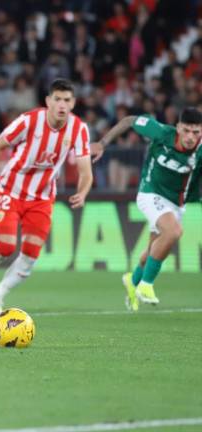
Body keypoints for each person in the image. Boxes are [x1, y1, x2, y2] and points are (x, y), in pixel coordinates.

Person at [0, 78, 93, 316]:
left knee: (30, 255)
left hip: (42, 197)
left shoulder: (78, 129)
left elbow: (85, 170)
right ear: (48, 101)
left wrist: (82, 191)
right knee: (5, 246)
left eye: (67, 100)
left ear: (73, 104)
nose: (62, 105)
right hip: (12, 188)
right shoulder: (29, 121)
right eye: (58, 99)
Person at [91, 108, 202, 311]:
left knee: (152, 251)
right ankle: (146, 285)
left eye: (196, 132)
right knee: (174, 231)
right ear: (178, 127)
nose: (190, 137)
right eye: (186, 130)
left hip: (175, 203)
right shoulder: (161, 132)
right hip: (149, 192)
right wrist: (102, 144)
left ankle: (132, 282)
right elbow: (129, 120)